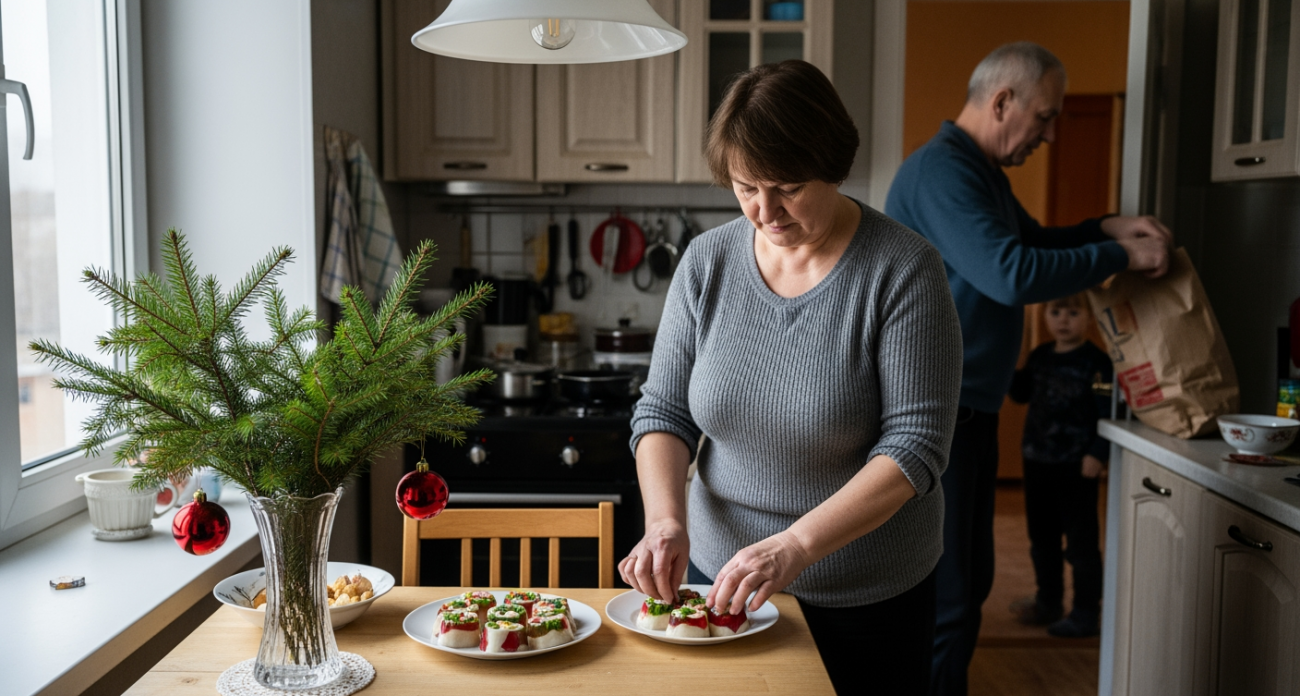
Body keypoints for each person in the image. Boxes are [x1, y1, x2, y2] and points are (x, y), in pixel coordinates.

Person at [623, 60, 963, 695]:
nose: (764, 211)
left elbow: (915, 450)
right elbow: (663, 411)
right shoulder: (707, 261)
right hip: (718, 578)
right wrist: (666, 519)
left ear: (834, 166)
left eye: (786, 186)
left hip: (864, 597)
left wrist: (797, 546)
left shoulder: (905, 270)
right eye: (745, 187)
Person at [883, 41, 1172, 695]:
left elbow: (1033, 243)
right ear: (1002, 100)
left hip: (967, 409)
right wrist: (1118, 257)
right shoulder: (942, 172)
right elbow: (1011, 274)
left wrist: (1106, 226)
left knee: (969, 579)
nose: (1048, 132)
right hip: (936, 414)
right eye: (1044, 117)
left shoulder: (979, 172)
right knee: (952, 593)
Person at [1007, 293, 1111, 638]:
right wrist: (1014, 358)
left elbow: (1108, 411)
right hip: (1037, 462)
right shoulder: (1039, 356)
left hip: (1077, 466)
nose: (1063, 319)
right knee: (1042, 539)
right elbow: (1020, 394)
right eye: (1056, 311)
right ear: (1046, 317)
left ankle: (1085, 613)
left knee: (1080, 543)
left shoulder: (1098, 363)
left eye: (1072, 312)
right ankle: (1047, 602)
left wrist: (1098, 452)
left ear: (1088, 318)